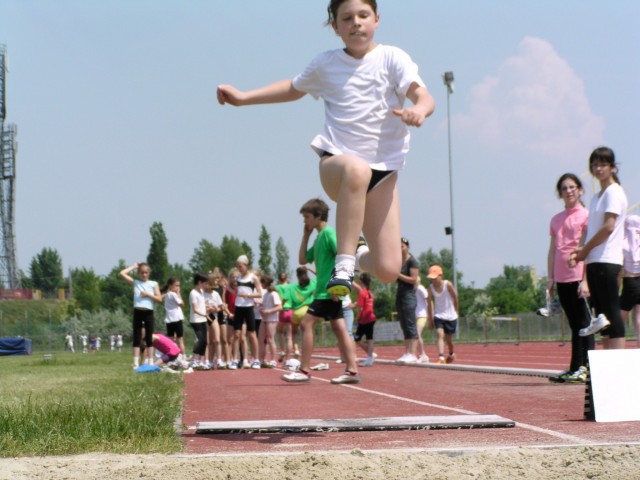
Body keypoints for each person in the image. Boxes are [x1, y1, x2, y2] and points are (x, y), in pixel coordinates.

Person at [217, 0, 435, 297]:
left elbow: (424, 95)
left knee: (387, 268)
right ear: (336, 27)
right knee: (356, 169)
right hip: (338, 165)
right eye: (347, 18)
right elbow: (293, 88)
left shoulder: (393, 58)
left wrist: (419, 110)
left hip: (383, 173)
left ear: (377, 20)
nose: (356, 22)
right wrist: (243, 97)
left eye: (363, 15)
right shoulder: (326, 64)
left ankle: (356, 256)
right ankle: (343, 266)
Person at [281, 198, 360, 384]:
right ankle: (352, 371)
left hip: (328, 291)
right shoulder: (318, 237)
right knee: (340, 329)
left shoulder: (329, 234)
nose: (304, 221)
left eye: (307, 217)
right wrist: (305, 235)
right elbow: (302, 259)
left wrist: (338, 285)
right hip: (325, 292)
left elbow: (345, 255)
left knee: (306, 324)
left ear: (318, 216)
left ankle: (304, 369)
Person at [571, 146, 628, 350]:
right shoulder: (597, 197)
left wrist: (585, 250)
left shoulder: (614, 192)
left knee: (612, 314)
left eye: (602, 164)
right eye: (594, 165)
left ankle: (618, 365)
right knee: (601, 318)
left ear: (612, 167)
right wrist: (581, 252)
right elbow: (592, 228)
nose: (598, 169)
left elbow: (608, 227)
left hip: (608, 259)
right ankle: (608, 369)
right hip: (594, 260)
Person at [547, 173, 593, 384]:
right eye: (564, 188)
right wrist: (550, 278)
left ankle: (589, 368)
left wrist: (585, 280)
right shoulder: (556, 219)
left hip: (578, 275)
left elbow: (587, 249)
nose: (569, 191)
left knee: (585, 322)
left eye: (573, 187)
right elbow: (552, 250)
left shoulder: (585, 215)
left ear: (580, 190)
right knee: (574, 324)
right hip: (561, 277)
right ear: (560, 193)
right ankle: (576, 366)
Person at [120, 262, 163, 368]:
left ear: (149, 273)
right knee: (137, 337)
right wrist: (133, 267)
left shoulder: (153, 284)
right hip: (138, 311)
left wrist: (148, 294)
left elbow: (159, 299)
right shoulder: (136, 283)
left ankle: (150, 362)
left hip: (148, 311)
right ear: (138, 273)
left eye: (146, 273)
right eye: (142, 273)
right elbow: (122, 273)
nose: (144, 275)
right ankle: (135, 362)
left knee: (149, 337)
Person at [227, 255, 263, 369]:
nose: (239, 268)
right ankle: (234, 360)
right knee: (236, 334)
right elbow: (236, 293)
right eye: (237, 266)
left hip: (248, 307)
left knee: (252, 334)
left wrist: (248, 295)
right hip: (238, 307)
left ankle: (256, 359)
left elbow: (260, 293)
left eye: (240, 266)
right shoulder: (238, 278)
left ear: (246, 265)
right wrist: (228, 288)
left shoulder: (253, 278)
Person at [427, 264, 459, 364]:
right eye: (432, 278)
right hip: (439, 315)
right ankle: (441, 357)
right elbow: (429, 303)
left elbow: (455, 297)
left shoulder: (447, 284)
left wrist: (456, 311)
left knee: (449, 340)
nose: (433, 280)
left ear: (441, 276)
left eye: (435, 278)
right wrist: (431, 320)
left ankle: (451, 353)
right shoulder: (431, 288)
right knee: (440, 333)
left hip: (450, 316)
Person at [395, 237, 420, 364]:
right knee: (404, 324)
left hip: (409, 295)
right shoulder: (398, 262)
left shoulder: (412, 261)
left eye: (402, 246)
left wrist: (398, 274)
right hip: (400, 294)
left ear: (407, 246)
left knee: (410, 324)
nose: (400, 248)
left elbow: (413, 279)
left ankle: (413, 353)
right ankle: (407, 352)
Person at [620, 215, 640, 346]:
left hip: (629, 281)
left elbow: (620, 268)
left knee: (621, 316)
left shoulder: (623, 243)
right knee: (638, 316)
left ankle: (616, 340)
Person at [258, 274, 283, 368]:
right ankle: (261, 359)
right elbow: (265, 304)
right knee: (261, 339)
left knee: (270, 339)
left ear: (265, 283)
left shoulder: (273, 294)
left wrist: (268, 311)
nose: (261, 284)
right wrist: (261, 308)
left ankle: (273, 359)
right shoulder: (265, 294)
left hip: (272, 319)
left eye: (262, 283)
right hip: (264, 319)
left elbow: (280, 307)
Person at [353, 273, 376, 366]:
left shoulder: (362, 293)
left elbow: (360, 308)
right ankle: (370, 356)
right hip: (371, 317)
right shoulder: (370, 292)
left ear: (360, 282)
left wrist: (357, 317)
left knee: (357, 338)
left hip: (364, 319)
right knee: (369, 338)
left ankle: (370, 355)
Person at [161, 277, 187, 356]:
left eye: (178, 286)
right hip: (177, 319)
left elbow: (162, 297)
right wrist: (179, 294)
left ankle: (172, 357)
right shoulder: (173, 295)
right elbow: (182, 304)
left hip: (169, 319)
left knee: (171, 341)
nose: (178, 287)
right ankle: (183, 357)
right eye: (176, 285)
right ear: (170, 286)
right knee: (180, 340)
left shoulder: (167, 294)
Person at [189, 272, 210, 369]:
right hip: (196, 320)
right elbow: (195, 309)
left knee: (205, 341)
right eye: (205, 283)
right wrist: (204, 313)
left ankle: (201, 361)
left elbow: (201, 305)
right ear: (199, 282)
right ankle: (194, 360)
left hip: (202, 319)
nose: (206, 285)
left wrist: (208, 307)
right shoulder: (193, 293)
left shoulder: (201, 292)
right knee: (200, 340)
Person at [203, 274, 224, 370]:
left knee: (216, 339)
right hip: (204, 317)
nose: (216, 282)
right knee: (208, 341)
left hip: (213, 317)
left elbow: (221, 306)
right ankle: (208, 361)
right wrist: (207, 308)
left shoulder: (215, 294)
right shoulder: (201, 293)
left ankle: (219, 360)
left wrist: (216, 309)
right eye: (214, 280)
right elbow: (198, 305)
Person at [415, 280, 430, 363]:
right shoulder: (411, 290)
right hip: (415, 315)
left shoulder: (420, 288)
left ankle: (422, 355)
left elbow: (428, 300)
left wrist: (431, 313)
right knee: (414, 335)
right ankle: (422, 354)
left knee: (417, 334)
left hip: (422, 315)